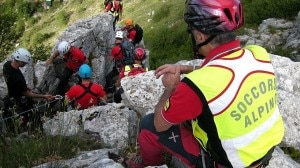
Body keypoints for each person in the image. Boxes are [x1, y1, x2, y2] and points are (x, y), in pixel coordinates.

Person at [126, 0, 285, 168]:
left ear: (200, 36)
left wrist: (171, 88)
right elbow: (223, 68)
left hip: (224, 164)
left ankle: (148, 164)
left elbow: (159, 124)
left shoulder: (195, 86)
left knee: (148, 125)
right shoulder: (258, 54)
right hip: (265, 153)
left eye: (192, 31)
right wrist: (184, 68)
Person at [3, 48, 55, 133]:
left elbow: (14, 84)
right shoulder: (18, 79)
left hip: (12, 94)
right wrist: (44, 96)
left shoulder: (7, 65)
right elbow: (28, 95)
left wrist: (24, 88)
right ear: (20, 61)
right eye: (24, 62)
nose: (25, 64)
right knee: (33, 115)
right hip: (21, 100)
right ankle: (37, 131)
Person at [105, 31, 125, 95]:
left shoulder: (115, 48)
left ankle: (111, 91)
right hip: (126, 66)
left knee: (108, 77)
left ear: (116, 38)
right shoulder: (126, 46)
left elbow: (111, 59)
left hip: (119, 68)